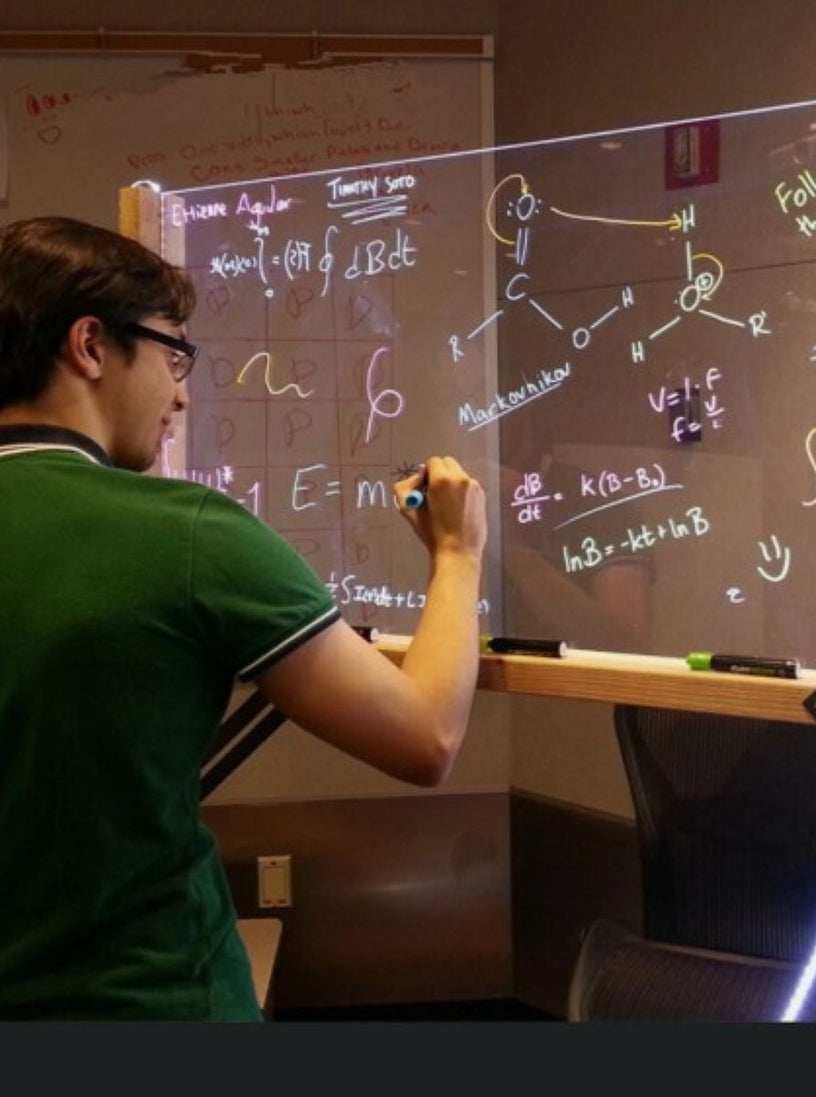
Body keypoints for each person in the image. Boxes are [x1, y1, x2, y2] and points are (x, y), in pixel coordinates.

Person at [0, 216, 487, 1021]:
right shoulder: (185, 533)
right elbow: (425, 735)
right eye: (173, 353)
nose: (183, 391)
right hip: (153, 1004)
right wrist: (457, 557)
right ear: (88, 345)